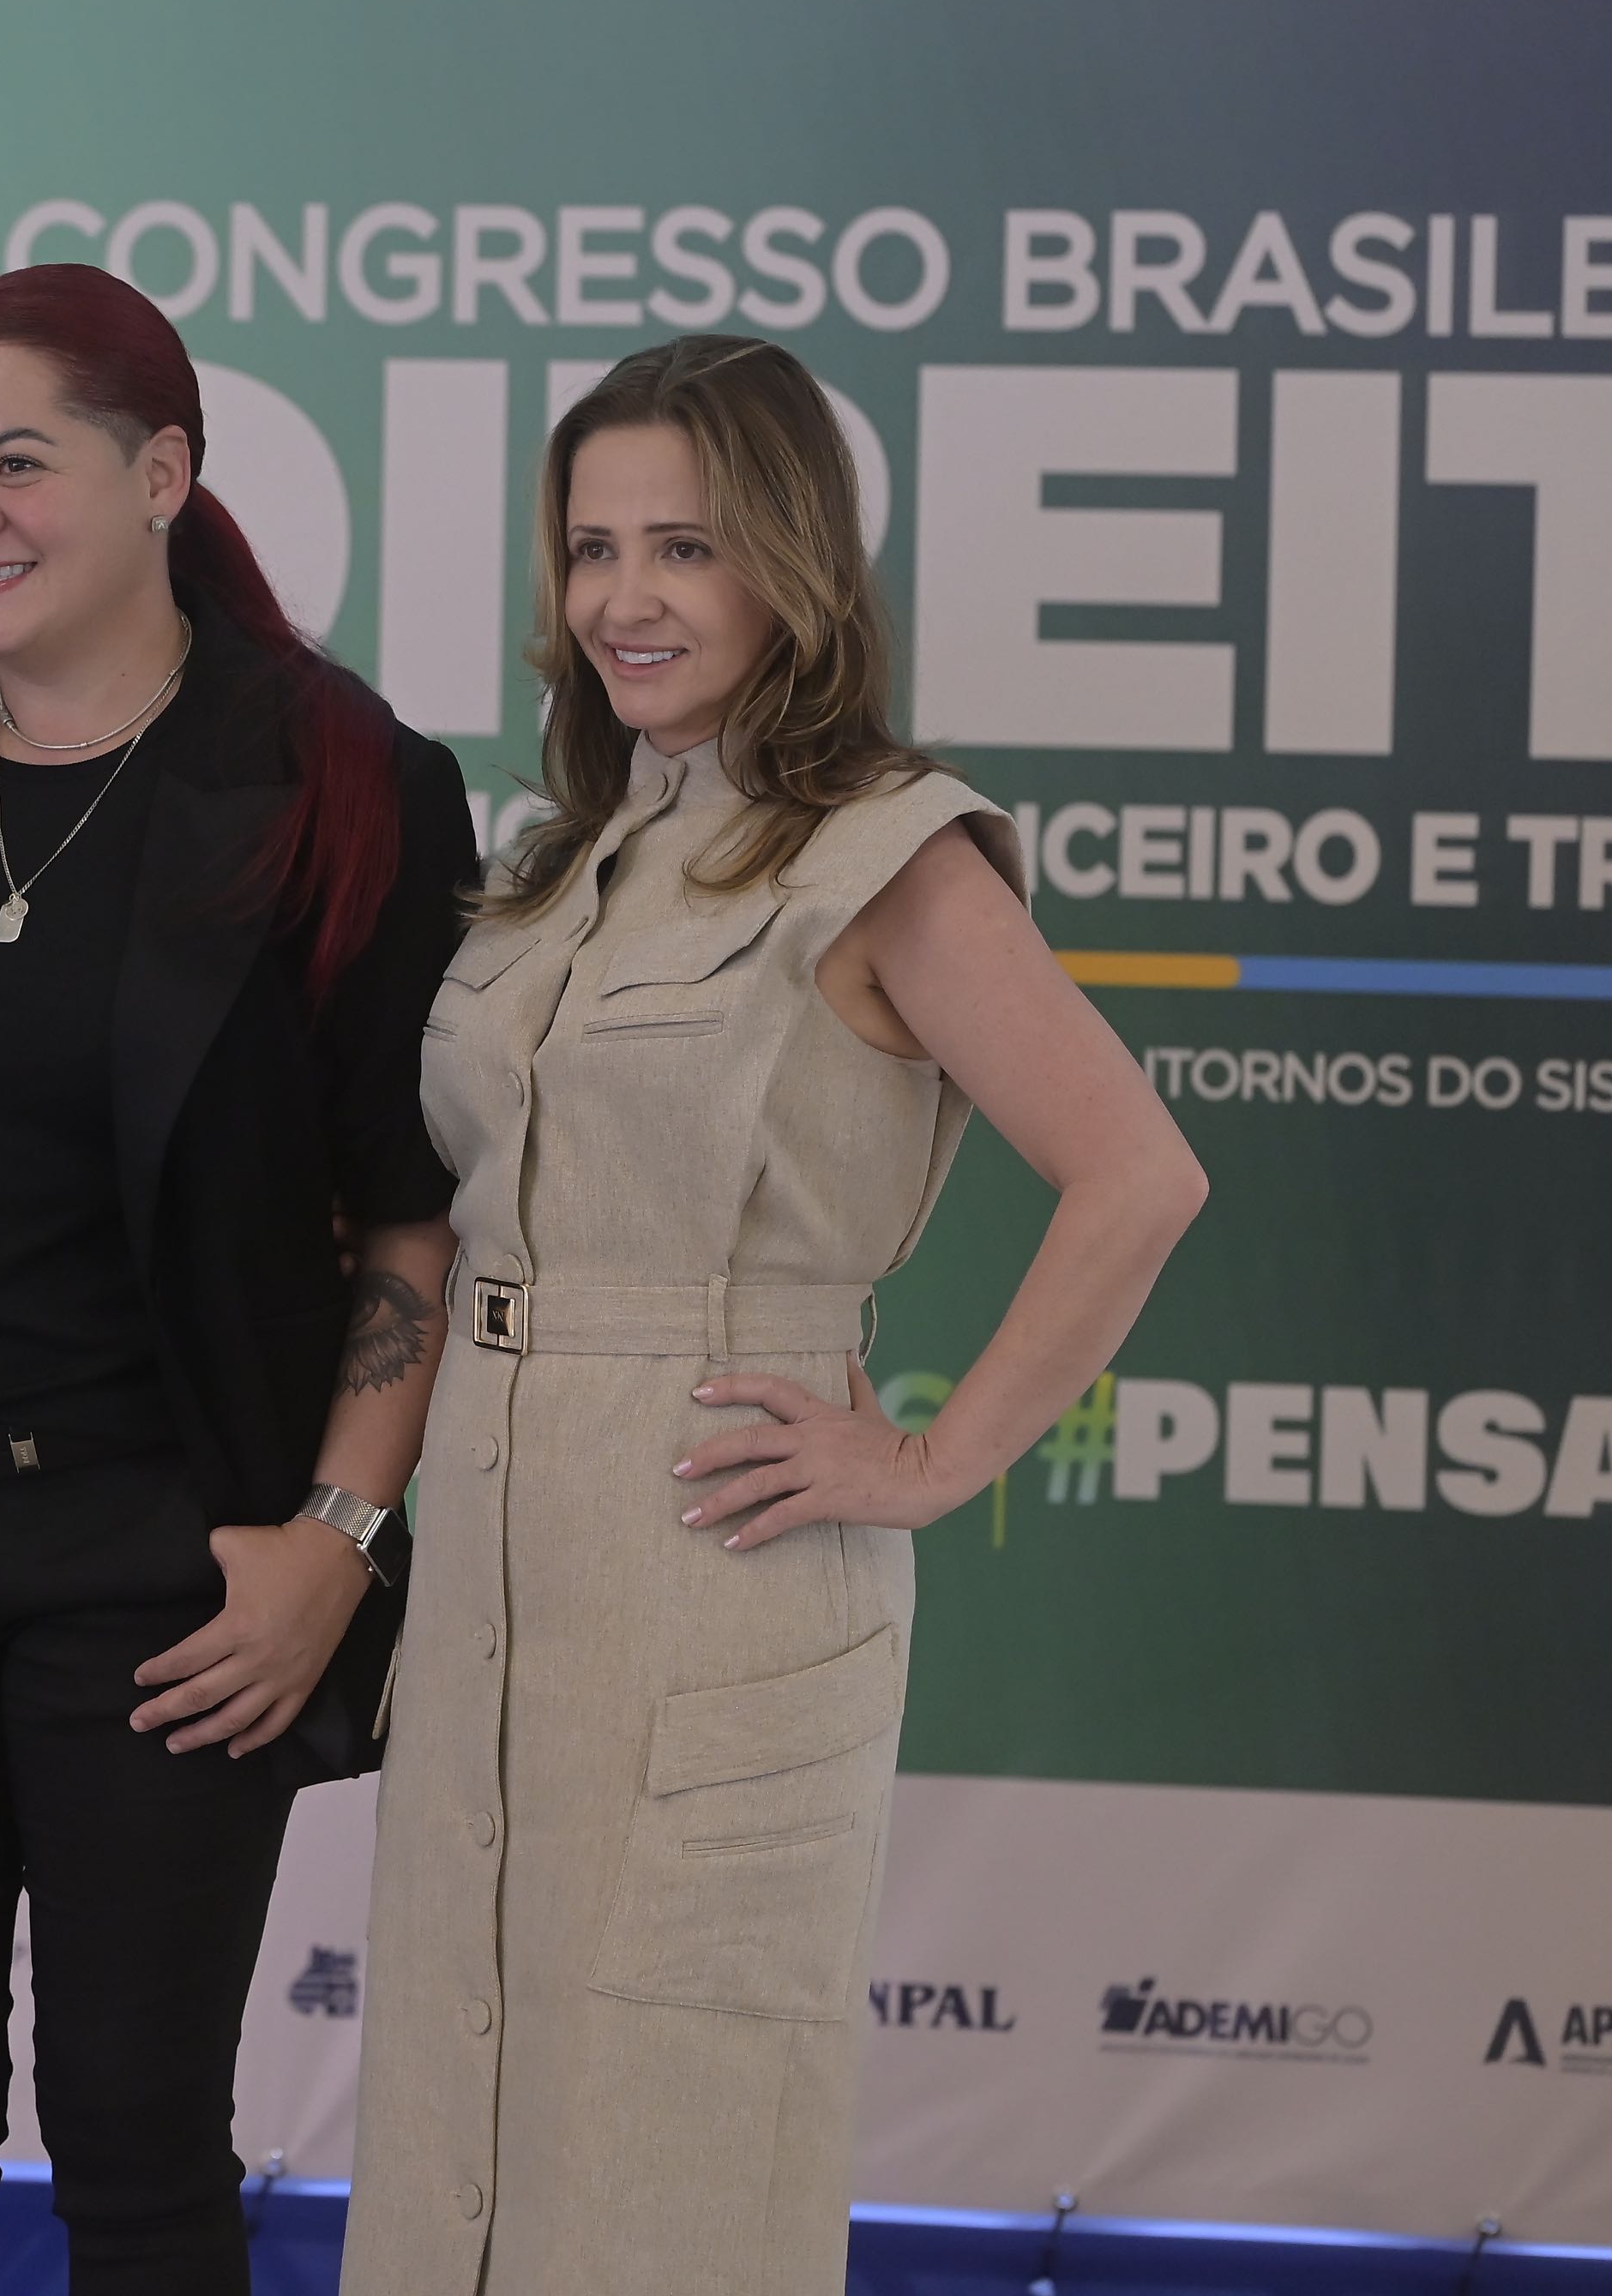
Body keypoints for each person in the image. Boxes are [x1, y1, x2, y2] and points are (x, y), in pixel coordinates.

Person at [342, 335, 1208, 2294]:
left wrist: (927, 1458)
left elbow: (1135, 1174)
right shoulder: (566, 855)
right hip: (488, 1573)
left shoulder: (886, 850)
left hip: (709, 1568)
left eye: (683, 547)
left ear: (790, 566)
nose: (622, 600)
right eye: (590, 549)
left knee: (663, 2164)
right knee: (455, 2130)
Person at [0, 261, 477, 2294]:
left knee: (138, 2154)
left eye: (16, 465)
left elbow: (408, 1214)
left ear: (158, 475)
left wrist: (332, 1538)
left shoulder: (335, 775)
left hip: (164, 1570)